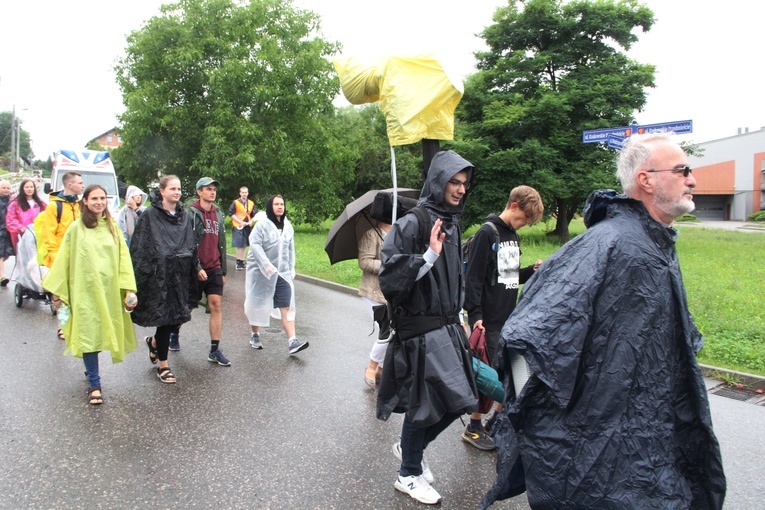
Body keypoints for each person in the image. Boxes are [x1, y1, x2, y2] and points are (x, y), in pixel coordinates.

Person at [483, 133, 727, 509]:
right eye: (682, 171)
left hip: (648, 443)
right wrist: (544, 423)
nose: (692, 180)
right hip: (592, 457)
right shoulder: (606, 244)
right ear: (646, 180)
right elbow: (523, 338)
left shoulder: (658, 245)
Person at [377, 150, 479, 506]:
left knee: (460, 399)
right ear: (438, 181)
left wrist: (462, 315)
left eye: (465, 183)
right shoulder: (414, 222)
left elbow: (456, 277)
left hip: (449, 328)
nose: (460, 189)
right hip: (420, 331)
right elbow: (390, 277)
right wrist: (428, 255)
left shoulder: (452, 221)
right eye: (454, 181)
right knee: (433, 403)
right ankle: (408, 471)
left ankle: (410, 453)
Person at [461, 185, 544, 451]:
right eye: (524, 218)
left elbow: (509, 277)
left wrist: (531, 271)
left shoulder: (512, 235)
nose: (525, 224)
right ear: (514, 206)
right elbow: (472, 279)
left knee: (516, 376)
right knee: (495, 378)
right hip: (489, 321)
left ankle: (494, 423)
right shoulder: (488, 233)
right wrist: (475, 315)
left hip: (510, 319)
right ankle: (473, 427)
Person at [41, 185, 138, 405]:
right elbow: (64, 258)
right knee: (89, 333)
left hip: (109, 290)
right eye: (94, 198)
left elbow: (124, 259)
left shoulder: (112, 227)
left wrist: (129, 289)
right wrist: (58, 290)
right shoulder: (76, 228)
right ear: (84, 201)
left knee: (103, 330)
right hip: (84, 291)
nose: (99, 202)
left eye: (102, 198)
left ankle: (90, 370)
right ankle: (95, 383)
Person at [129, 175, 198, 384]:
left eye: (178, 189)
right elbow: (141, 245)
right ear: (162, 191)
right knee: (166, 319)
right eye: (172, 189)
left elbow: (189, 242)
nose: (176, 192)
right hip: (160, 274)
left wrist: (195, 267)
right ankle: (164, 365)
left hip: (180, 273)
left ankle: (154, 343)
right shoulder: (150, 215)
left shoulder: (183, 216)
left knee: (178, 317)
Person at [244, 194, 308, 354]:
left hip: (282, 273)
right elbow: (255, 244)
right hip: (261, 272)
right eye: (276, 204)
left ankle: (292, 341)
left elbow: (290, 248)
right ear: (270, 207)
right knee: (256, 303)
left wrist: (291, 267)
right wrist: (266, 265)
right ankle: (255, 334)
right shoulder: (262, 225)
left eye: (282, 204)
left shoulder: (288, 226)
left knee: (286, 305)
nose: (280, 207)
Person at [187, 177, 230, 365]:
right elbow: (186, 243)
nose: (212, 192)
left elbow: (222, 243)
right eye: (208, 189)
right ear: (199, 192)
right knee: (185, 309)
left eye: (214, 189)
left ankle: (214, 350)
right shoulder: (190, 213)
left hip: (214, 268)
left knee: (216, 305)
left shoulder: (218, 213)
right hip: (194, 268)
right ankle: (171, 334)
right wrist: (196, 267)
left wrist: (224, 270)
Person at [358, 220, 391, 388]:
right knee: (387, 331)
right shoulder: (371, 235)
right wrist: (389, 263)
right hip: (373, 293)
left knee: (393, 332)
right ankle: (371, 367)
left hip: (391, 294)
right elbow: (364, 262)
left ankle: (381, 369)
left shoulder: (397, 235)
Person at [41, 171, 84, 268]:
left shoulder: (80, 204)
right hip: (59, 256)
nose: (83, 185)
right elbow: (48, 234)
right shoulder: (54, 205)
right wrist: (55, 256)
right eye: (80, 183)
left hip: (78, 255)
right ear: (70, 185)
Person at [6, 179, 46, 254]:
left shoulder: (40, 204)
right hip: (22, 236)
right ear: (22, 189)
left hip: (37, 235)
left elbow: (46, 217)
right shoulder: (15, 204)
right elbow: (11, 220)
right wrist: (20, 228)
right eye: (27, 187)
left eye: (31, 187)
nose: (29, 189)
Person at [228, 186, 256, 271]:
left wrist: (251, 222)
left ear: (248, 193)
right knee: (239, 244)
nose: (244, 194)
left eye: (246, 192)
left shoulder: (251, 203)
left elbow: (254, 214)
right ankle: (238, 262)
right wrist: (240, 222)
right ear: (240, 193)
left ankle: (242, 261)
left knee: (245, 244)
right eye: (243, 192)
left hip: (247, 225)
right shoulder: (235, 202)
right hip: (238, 225)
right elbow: (231, 213)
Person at [0, 180, 14, 286]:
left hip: (9, 230)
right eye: (3, 188)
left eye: (7, 188)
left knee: (7, 254)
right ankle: (2, 276)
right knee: (1, 254)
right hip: (0, 230)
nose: (6, 190)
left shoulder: (13, 201)